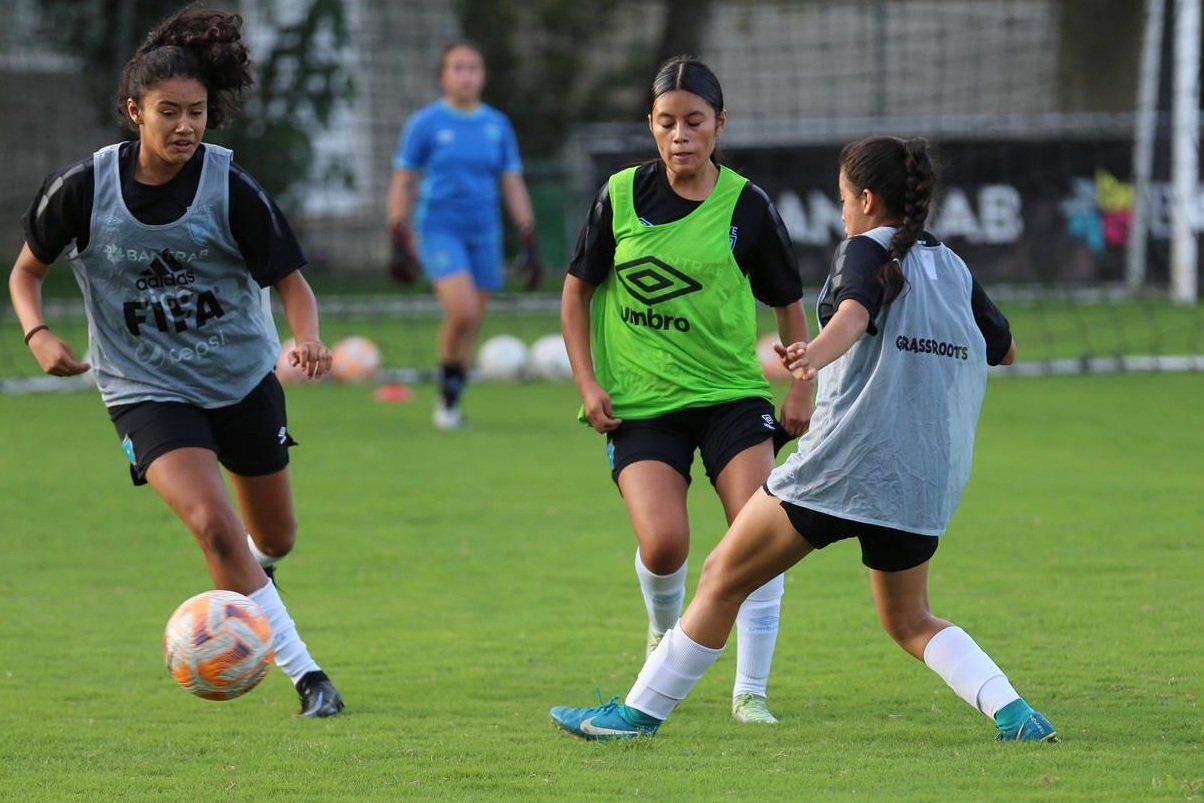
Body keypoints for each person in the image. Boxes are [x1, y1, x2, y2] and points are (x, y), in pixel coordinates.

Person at [551, 135, 1058, 743]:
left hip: (841, 468)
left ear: (867, 200)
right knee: (909, 619)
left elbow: (850, 317)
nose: (843, 209)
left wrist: (809, 356)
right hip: (922, 475)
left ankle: (636, 717)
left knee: (722, 575)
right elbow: (1005, 349)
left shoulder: (863, 253)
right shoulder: (953, 268)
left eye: (844, 198)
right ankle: (1016, 715)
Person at [8, 7, 344, 718]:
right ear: (135, 111)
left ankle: (256, 580)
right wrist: (38, 334)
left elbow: (292, 283)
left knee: (272, 535)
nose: (186, 126)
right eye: (169, 112)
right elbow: (25, 272)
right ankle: (309, 675)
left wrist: (306, 337)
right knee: (214, 526)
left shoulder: (232, 188)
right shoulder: (82, 189)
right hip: (145, 388)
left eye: (197, 113)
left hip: (240, 378)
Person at [560, 56, 814, 725]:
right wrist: (587, 381)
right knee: (666, 542)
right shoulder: (616, 196)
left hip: (731, 395)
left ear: (719, 125)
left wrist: (799, 387)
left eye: (694, 121)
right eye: (666, 121)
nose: (680, 134)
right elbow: (576, 293)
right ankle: (662, 636)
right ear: (651, 124)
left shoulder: (746, 205)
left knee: (758, 531)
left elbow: (789, 301)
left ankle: (750, 691)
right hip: (642, 405)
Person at [387, 41, 543, 430]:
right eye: (458, 68)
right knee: (463, 310)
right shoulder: (426, 124)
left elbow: (511, 182)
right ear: (444, 75)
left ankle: (452, 403)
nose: (466, 75)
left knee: (474, 320)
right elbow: (404, 180)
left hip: (485, 232)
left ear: (483, 75)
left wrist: (528, 235)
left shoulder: (497, 125)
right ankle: (446, 399)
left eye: (473, 68)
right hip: (439, 229)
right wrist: (397, 233)